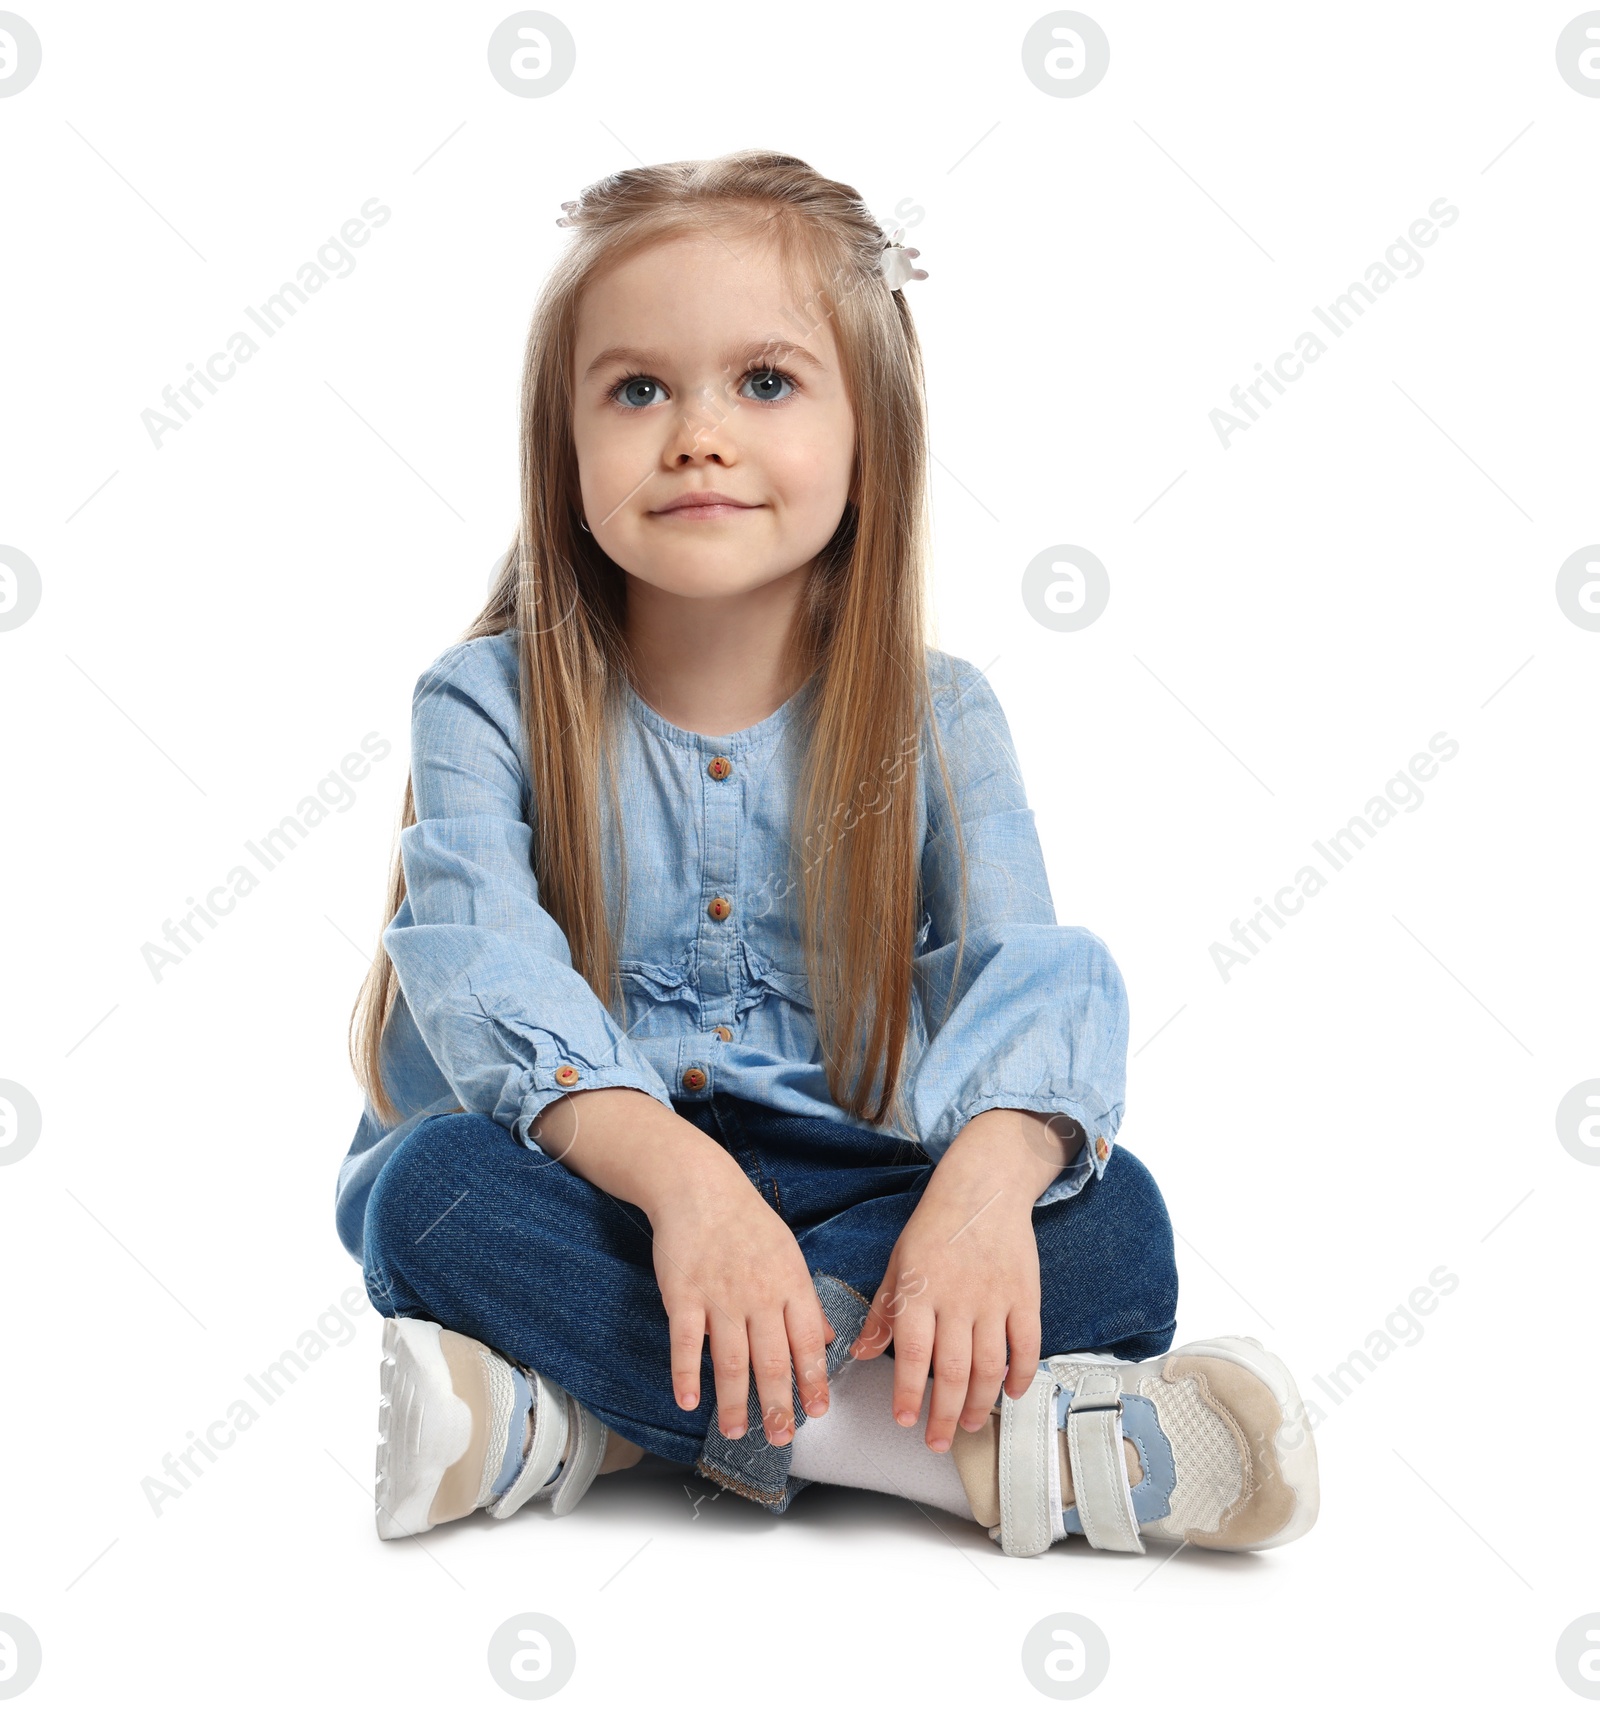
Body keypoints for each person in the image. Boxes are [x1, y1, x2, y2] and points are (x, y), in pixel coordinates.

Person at [335, 148, 1319, 1559]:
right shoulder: (480, 699)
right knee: (428, 1198)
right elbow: (491, 976)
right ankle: (961, 1459)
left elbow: (1021, 975)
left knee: (1121, 1222)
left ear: (875, 438)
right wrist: (688, 1188)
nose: (696, 434)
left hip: (859, 1189)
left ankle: (580, 1423)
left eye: (767, 382)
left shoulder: (940, 711)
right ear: (564, 444)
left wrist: (979, 1195)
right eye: (636, 389)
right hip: (601, 1190)